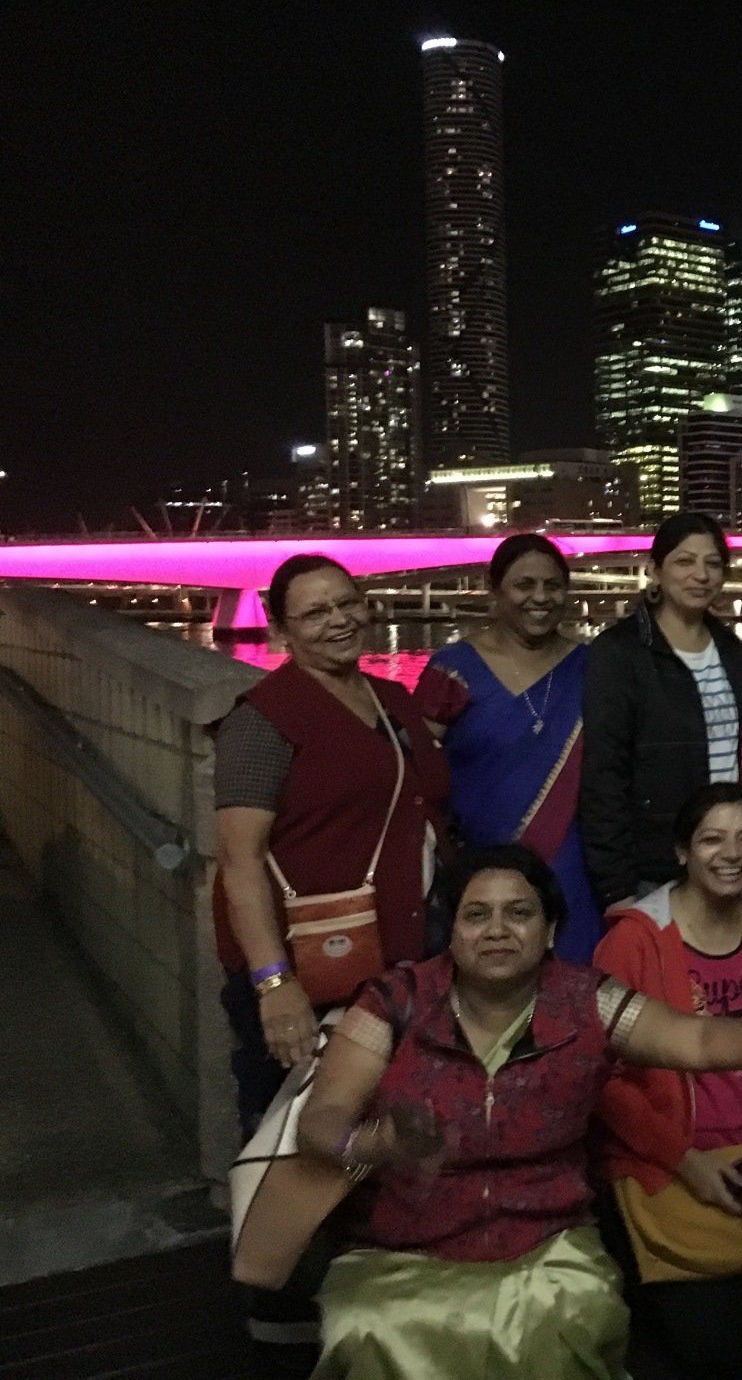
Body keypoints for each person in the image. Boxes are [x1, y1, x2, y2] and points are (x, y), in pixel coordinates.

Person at [293, 843, 742, 1380]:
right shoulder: (398, 1001)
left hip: (546, 1240)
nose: (496, 930)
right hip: (409, 1244)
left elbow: (696, 1041)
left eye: (519, 913)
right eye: (476, 915)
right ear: (453, 932)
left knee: (574, 1307)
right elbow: (321, 1120)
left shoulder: (586, 999)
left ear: (549, 932)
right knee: (367, 1324)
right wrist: (375, 1145)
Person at [213, 553, 450, 1362]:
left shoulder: (387, 700)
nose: (340, 620)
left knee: (365, 1136)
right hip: (304, 972)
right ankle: (276, 1310)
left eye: (348, 603)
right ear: (280, 628)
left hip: (389, 967)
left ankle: (357, 1302)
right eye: (315, 613)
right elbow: (240, 859)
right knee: (288, 1140)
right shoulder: (262, 717)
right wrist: (272, 982)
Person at [595, 784, 742, 1380]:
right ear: (681, 851)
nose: (731, 853)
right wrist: (686, 1160)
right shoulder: (633, 940)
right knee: (712, 1344)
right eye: (712, 838)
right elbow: (606, 1084)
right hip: (667, 1157)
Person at [416, 533, 597, 962]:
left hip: (577, 872)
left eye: (553, 586)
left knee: (574, 993)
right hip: (480, 870)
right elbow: (414, 768)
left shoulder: (594, 666)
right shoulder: (454, 669)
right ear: (495, 590)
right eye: (524, 585)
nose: (540, 597)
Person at [581, 511, 742, 911]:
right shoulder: (620, 652)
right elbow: (604, 774)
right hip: (654, 867)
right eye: (685, 561)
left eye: (713, 563)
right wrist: (615, 886)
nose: (701, 575)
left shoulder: (731, 650)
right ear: (655, 570)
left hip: (729, 859)